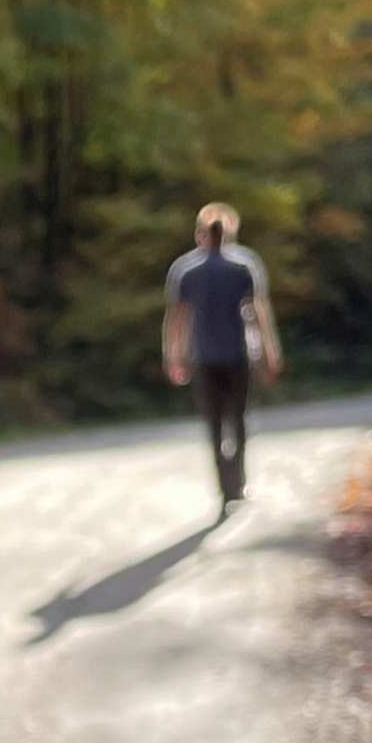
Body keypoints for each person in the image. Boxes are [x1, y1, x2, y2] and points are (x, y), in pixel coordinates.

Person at [163, 202, 282, 513]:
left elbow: (176, 318)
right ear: (230, 233)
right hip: (239, 356)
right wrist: (270, 353)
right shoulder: (244, 267)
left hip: (203, 358)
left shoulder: (186, 270)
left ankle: (225, 489)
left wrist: (171, 356)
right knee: (238, 420)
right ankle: (239, 482)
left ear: (200, 233)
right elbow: (259, 314)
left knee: (214, 425)